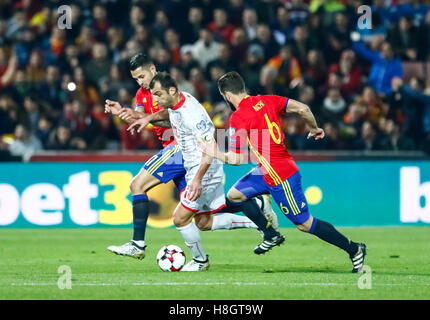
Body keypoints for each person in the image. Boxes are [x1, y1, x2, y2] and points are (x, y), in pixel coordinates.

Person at [105, 54, 278, 262]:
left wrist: (149, 118)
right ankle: (257, 214)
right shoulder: (142, 94)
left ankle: (137, 244)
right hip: (183, 154)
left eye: (141, 76)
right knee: (203, 220)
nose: (140, 82)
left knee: (137, 185)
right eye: (136, 79)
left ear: (152, 69)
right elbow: (140, 118)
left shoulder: (167, 90)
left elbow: (174, 118)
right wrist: (122, 113)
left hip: (178, 147)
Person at [199, 71, 367, 273]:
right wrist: (314, 129)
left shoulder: (238, 117)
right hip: (267, 170)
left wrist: (214, 152)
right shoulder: (268, 100)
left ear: (226, 95)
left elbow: (236, 159)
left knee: (305, 224)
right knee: (235, 196)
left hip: (281, 176)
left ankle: (354, 249)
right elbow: (303, 108)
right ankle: (269, 233)